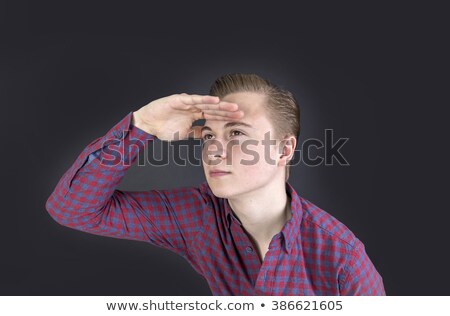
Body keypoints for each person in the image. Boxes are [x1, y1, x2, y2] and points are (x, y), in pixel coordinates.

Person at [46, 73, 385, 295]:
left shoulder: (343, 259)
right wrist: (143, 125)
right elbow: (73, 209)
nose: (214, 151)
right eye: (209, 136)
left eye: (237, 134)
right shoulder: (198, 216)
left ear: (284, 149)